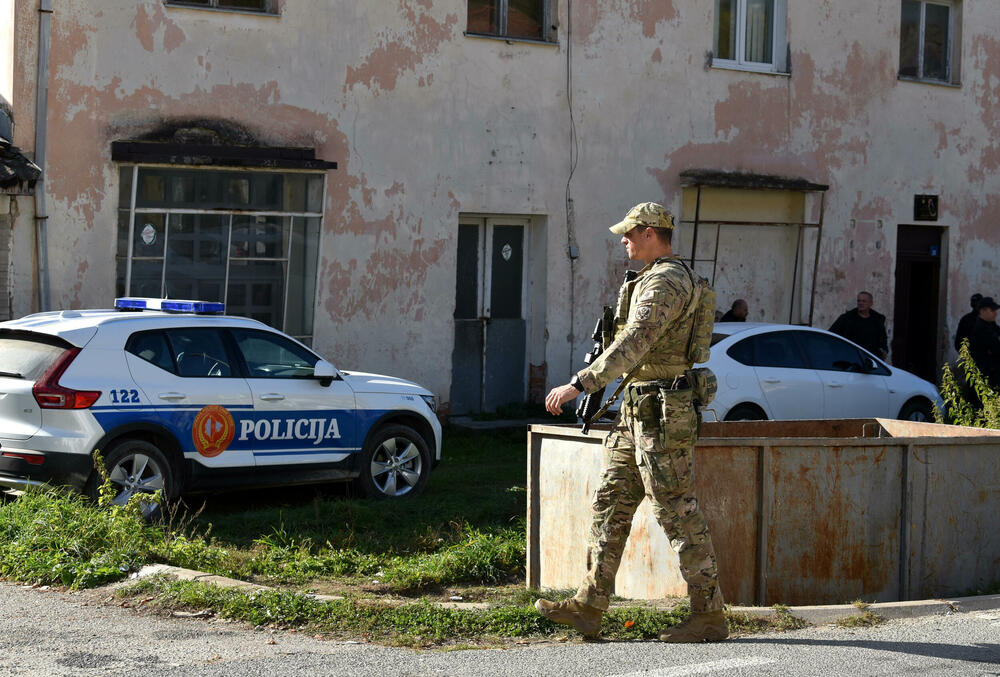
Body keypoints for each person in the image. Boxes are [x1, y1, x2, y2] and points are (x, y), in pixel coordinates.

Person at [536, 202, 727, 643]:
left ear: (649, 233)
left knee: (678, 513)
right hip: (637, 412)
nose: (623, 240)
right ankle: (588, 605)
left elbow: (635, 341)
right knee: (610, 503)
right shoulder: (650, 276)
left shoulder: (667, 281)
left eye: (629, 233)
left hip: (662, 416)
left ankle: (709, 616)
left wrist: (580, 384)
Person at [829, 291, 888, 359]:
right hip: (850, 359)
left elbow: (883, 337)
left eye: (864, 301)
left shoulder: (877, 320)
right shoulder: (846, 318)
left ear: (871, 303)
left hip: (872, 359)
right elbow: (832, 335)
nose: (860, 303)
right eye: (859, 301)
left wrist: (884, 350)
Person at [968, 296, 1000, 387]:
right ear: (983, 311)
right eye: (992, 310)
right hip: (985, 373)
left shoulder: (991, 325)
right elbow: (995, 348)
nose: (995, 313)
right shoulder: (981, 328)